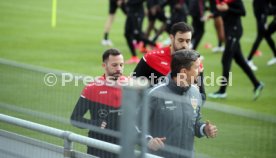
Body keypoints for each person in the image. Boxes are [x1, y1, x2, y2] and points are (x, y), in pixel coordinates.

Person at [145, 50, 217, 158]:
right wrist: (148, 140)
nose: (200, 71)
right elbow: (134, 124)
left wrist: (203, 129)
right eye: (197, 68)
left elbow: (194, 122)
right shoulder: (154, 95)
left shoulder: (195, 92)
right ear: (184, 71)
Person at [70, 48, 126, 158]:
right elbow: (75, 118)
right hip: (99, 145)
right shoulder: (92, 88)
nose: (119, 69)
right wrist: (95, 124)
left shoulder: (130, 85)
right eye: (114, 65)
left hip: (124, 144)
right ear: (104, 66)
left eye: (121, 65)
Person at [133, 22, 206, 101]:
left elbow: (202, 96)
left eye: (188, 41)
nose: (184, 45)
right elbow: (133, 85)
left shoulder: (196, 64)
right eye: (180, 40)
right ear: (171, 38)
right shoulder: (151, 58)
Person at [208, 0, 264, 100]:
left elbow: (243, 12)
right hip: (229, 31)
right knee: (240, 61)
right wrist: (214, 15)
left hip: (234, 31)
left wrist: (228, 8)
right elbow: (223, 11)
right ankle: (257, 84)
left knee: (225, 60)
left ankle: (222, 91)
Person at [124, 0, 158, 64]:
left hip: (137, 13)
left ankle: (156, 45)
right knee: (127, 34)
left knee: (138, 35)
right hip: (130, 13)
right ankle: (134, 57)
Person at [247, 0, 276, 71]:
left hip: (262, 13)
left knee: (260, 36)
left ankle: (248, 59)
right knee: (266, 35)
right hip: (261, 13)